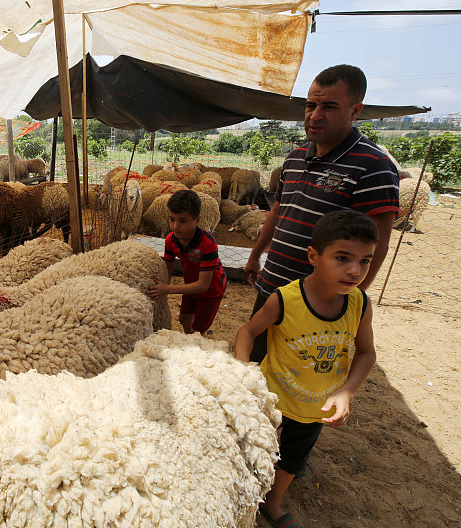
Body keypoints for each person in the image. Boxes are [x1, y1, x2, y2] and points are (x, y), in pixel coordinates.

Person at [243, 64, 400, 363]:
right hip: (274, 288)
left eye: (329, 107)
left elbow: (376, 243)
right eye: (311, 105)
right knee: (258, 367)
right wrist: (255, 255)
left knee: (302, 380)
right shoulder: (295, 158)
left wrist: (347, 304)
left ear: (354, 111)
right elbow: (279, 210)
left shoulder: (373, 166)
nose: (315, 116)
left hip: (319, 304)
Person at [234, 209, 379, 528]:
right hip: (270, 399)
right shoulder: (285, 300)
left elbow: (367, 352)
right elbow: (246, 332)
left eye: (365, 260)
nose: (355, 270)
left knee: (294, 457)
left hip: (316, 405)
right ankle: (242, 495)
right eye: (342, 257)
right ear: (314, 255)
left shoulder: (360, 305)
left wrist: (346, 392)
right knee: (253, 448)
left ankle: (273, 504)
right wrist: (243, 375)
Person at [148, 190, 227, 335]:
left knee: (199, 329)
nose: (175, 226)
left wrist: (167, 289)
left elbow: (203, 285)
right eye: (172, 219)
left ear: (197, 220)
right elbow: (168, 267)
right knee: (184, 319)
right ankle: (188, 339)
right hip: (191, 285)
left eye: (182, 221)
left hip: (211, 290)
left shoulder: (207, 244)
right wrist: (163, 285)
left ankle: (195, 346)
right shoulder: (171, 240)